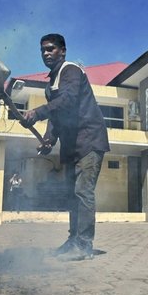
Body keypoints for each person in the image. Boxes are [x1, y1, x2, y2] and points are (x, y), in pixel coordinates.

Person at [22, 33, 110, 261]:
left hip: (89, 141)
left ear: (63, 51)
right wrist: (49, 139)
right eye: (43, 50)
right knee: (72, 195)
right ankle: (73, 241)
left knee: (82, 192)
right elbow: (58, 115)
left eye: (51, 49)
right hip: (72, 146)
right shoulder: (51, 85)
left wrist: (37, 112)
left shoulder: (70, 70)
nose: (46, 53)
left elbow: (69, 100)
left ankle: (84, 246)